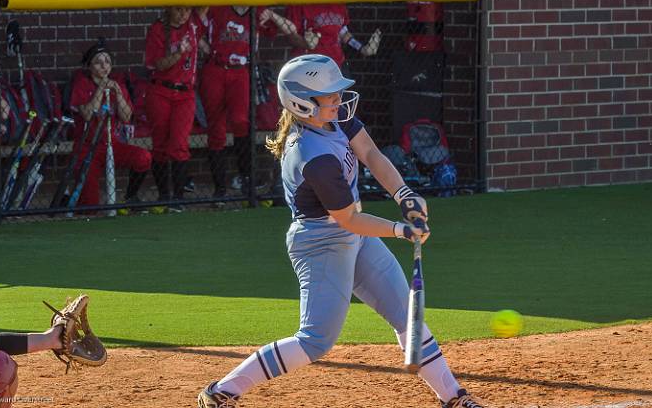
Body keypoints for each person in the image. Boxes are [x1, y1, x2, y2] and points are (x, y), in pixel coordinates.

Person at [196, 55, 484, 408]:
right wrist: (399, 229)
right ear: (302, 102)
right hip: (321, 244)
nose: (337, 99)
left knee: (406, 314)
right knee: (315, 341)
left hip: (354, 236)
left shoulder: (335, 121)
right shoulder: (313, 155)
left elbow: (371, 153)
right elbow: (348, 219)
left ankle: (453, 397)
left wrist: (404, 194)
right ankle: (221, 392)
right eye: (328, 95)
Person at [199, 0, 296, 199]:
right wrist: (208, 50)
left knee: (243, 123)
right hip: (216, 70)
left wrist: (271, 14)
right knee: (216, 128)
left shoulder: (258, 8)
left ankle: (247, 183)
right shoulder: (217, 6)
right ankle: (220, 189)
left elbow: (290, 29)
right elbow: (197, 30)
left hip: (242, 71)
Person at [70, 42, 151, 209]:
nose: (104, 66)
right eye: (98, 62)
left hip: (111, 144)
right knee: (90, 206)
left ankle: (131, 197)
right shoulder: (82, 84)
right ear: (90, 66)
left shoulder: (117, 85)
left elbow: (126, 117)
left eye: (107, 61)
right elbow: (86, 114)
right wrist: (100, 89)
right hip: (87, 148)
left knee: (143, 157)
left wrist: (119, 93)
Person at [145, 5, 202, 212]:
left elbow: (205, 6)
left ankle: (177, 198)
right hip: (160, 91)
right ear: (169, 9)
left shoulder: (193, 25)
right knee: (160, 143)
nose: (183, 14)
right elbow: (158, 64)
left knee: (179, 144)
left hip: (185, 93)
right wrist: (179, 53)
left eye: (186, 10)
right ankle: (163, 195)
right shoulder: (158, 29)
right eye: (178, 10)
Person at [285, 0, 382, 71]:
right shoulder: (299, 1)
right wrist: (306, 44)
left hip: (336, 62)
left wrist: (361, 48)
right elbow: (291, 36)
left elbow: (342, 31)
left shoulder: (338, 1)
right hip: (309, 64)